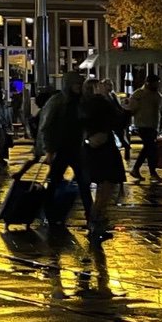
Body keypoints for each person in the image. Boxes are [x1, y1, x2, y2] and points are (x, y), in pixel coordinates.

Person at [36, 71, 99, 235]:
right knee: (54, 182)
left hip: (77, 148)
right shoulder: (58, 101)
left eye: (80, 84)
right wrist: (49, 150)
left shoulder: (81, 101)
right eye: (76, 84)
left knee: (84, 184)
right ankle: (50, 214)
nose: (78, 87)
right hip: (62, 149)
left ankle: (91, 217)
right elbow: (46, 126)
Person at [128, 75, 162, 180]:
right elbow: (132, 108)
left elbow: (160, 110)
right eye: (156, 83)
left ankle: (136, 169)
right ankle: (152, 172)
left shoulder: (157, 95)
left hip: (153, 125)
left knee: (148, 148)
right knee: (150, 148)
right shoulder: (139, 94)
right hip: (143, 125)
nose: (157, 85)